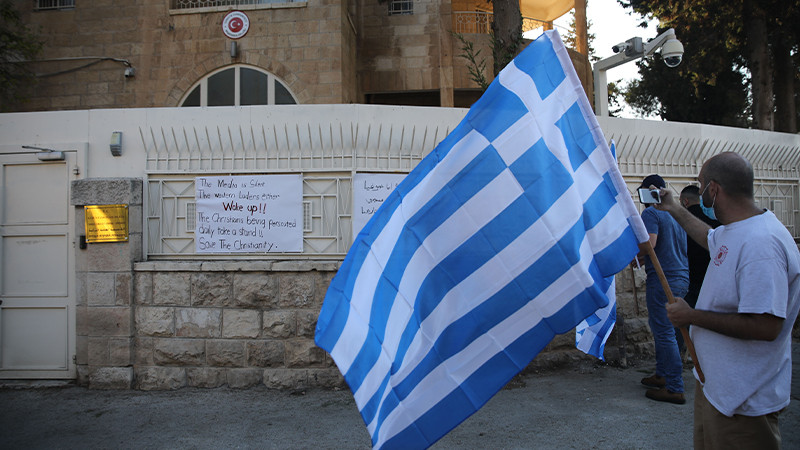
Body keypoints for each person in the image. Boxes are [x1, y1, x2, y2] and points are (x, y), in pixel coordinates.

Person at [657, 152, 800, 449]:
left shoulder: (762, 244)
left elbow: (765, 326)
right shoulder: (738, 230)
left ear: (713, 189)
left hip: (744, 403)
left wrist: (692, 316)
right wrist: (672, 208)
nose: (700, 191)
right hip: (719, 392)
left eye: (700, 184)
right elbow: (710, 238)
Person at [636, 174, 689, 404]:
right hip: (681, 277)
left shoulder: (651, 213)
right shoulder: (676, 215)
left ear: (651, 191)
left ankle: (674, 386)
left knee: (664, 332)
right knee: (670, 331)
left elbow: (650, 242)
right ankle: (662, 374)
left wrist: (634, 252)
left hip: (663, 279)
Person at [679, 185, 720, 308]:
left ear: (685, 201)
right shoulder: (714, 223)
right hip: (710, 277)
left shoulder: (679, 223)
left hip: (689, 279)